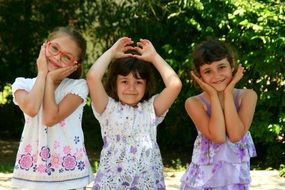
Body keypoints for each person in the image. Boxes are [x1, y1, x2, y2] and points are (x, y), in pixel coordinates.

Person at [87, 37, 182, 189]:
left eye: (138, 82)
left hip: (147, 184)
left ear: (146, 85)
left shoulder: (151, 109)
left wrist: (154, 57)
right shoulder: (107, 109)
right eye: (124, 81)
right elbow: (92, 78)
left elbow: (175, 85)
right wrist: (111, 53)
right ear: (114, 84)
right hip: (112, 184)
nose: (131, 88)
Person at [11, 26, 93, 190]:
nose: (57, 57)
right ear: (45, 46)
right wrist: (43, 74)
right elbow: (32, 108)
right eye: (54, 48)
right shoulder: (22, 84)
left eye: (66, 57)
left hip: (69, 177)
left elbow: (50, 118)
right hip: (34, 175)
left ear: (74, 65)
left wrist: (49, 81)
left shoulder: (78, 87)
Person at [180, 39, 257, 190]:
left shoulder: (248, 96)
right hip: (203, 182)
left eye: (221, 67)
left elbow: (235, 136)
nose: (216, 76)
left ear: (232, 66)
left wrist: (228, 93)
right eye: (208, 71)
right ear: (199, 76)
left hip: (235, 181)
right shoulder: (194, 103)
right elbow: (219, 137)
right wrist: (214, 97)